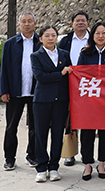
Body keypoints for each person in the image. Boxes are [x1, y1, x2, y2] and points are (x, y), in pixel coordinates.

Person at [77, 22, 105, 181]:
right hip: (89, 100)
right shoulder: (85, 53)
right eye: (97, 33)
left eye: (104, 33)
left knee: (104, 133)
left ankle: (101, 163)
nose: (100, 36)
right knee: (87, 134)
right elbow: (79, 75)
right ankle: (87, 164)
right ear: (92, 36)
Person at [31, 25, 73, 182]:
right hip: (42, 100)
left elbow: (70, 77)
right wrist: (60, 73)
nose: (50, 38)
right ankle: (41, 168)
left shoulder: (64, 54)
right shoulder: (36, 56)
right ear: (40, 39)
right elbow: (40, 76)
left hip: (60, 100)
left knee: (57, 134)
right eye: (47, 35)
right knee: (40, 135)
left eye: (53, 35)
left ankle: (54, 167)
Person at [0, 12, 40, 171]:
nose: (27, 24)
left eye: (30, 21)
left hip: (36, 92)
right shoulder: (10, 44)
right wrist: (4, 90)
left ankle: (32, 155)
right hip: (15, 92)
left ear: (35, 24)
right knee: (11, 127)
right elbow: (4, 69)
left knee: (35, 127)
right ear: (19, 25)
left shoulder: (41, 42)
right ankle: (9, 159)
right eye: (24, 21)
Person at [58, 10, 89, 167]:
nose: (80, 23)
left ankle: (87, 154)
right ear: (72, 24)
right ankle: (70, 154)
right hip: (69, 84)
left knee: (88, 121)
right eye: (77, 20)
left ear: (88, 23)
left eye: (83, 20)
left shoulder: (94, 39)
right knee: (70, 120)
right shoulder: (65, 41)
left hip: (90, 86)